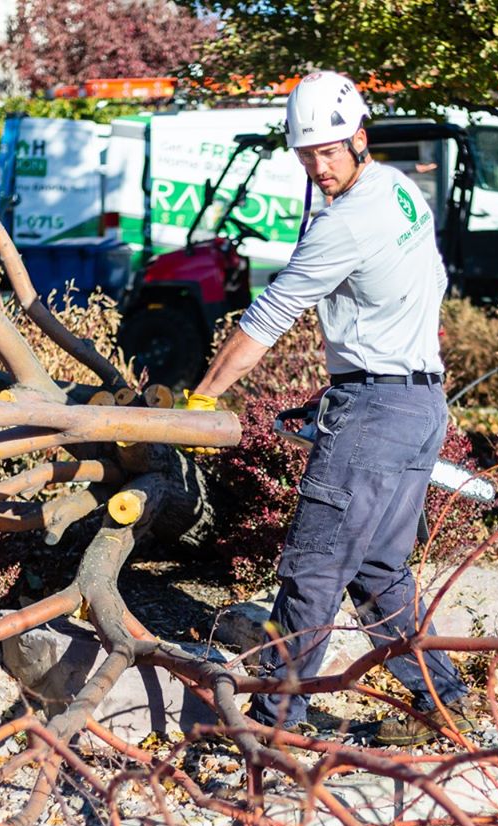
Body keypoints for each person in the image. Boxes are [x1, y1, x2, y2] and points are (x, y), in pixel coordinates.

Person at [186, 71, 475, 746]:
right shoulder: (402, 192)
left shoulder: (345, 223)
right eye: (306, 154)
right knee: (378, 570)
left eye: (329, 152)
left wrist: (205, 397)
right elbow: (415, 291)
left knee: (314, 567)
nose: (319, 166)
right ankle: (447, 699)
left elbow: (270, 316)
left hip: (378, 410)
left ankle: (272, 727)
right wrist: (346, 384)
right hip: (417, 401)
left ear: (359, 139)